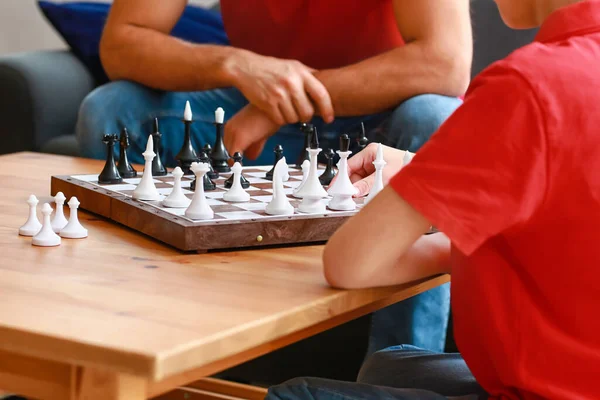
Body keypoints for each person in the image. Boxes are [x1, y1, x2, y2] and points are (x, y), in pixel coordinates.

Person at [77, 0, 473, 357]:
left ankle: (399, 367)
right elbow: (120, 44)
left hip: (383, 123)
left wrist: (281, 107)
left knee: (433, 118)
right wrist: (234, 64)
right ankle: (132, 342)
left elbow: (445, 63)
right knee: (111, 110)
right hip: (249, 107)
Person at [265, 0, 600, 398]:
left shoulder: (529, 85)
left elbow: (348, 264)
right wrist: (428, 174)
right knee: (389, 367)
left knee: (295, 395)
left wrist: (437, 213)